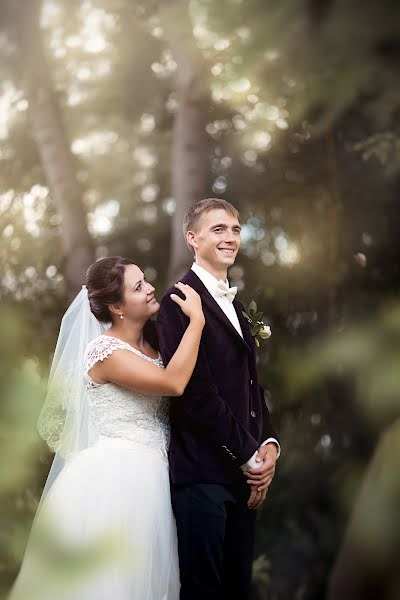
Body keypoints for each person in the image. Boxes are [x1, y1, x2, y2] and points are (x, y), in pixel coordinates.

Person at [9, 256, 205, 600]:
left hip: (163, 472)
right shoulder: (104, 352)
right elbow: (172, 383)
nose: (150, 289)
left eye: (146, 281)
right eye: (138, 286)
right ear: (117, 306)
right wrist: (198, 323)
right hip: (123, 478)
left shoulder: (155, 344)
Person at [157, 198, 280, 600]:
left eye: (234, 229)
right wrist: (249, 455)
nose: (230, 237)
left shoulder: (238, 307)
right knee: (203, 592)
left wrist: (269, 445)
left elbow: (250, 386)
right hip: (202, 475)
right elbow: (194, 394)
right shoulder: (178, 301)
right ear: (192, 239)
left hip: (243, 479)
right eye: (218, 229)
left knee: (237, 591)